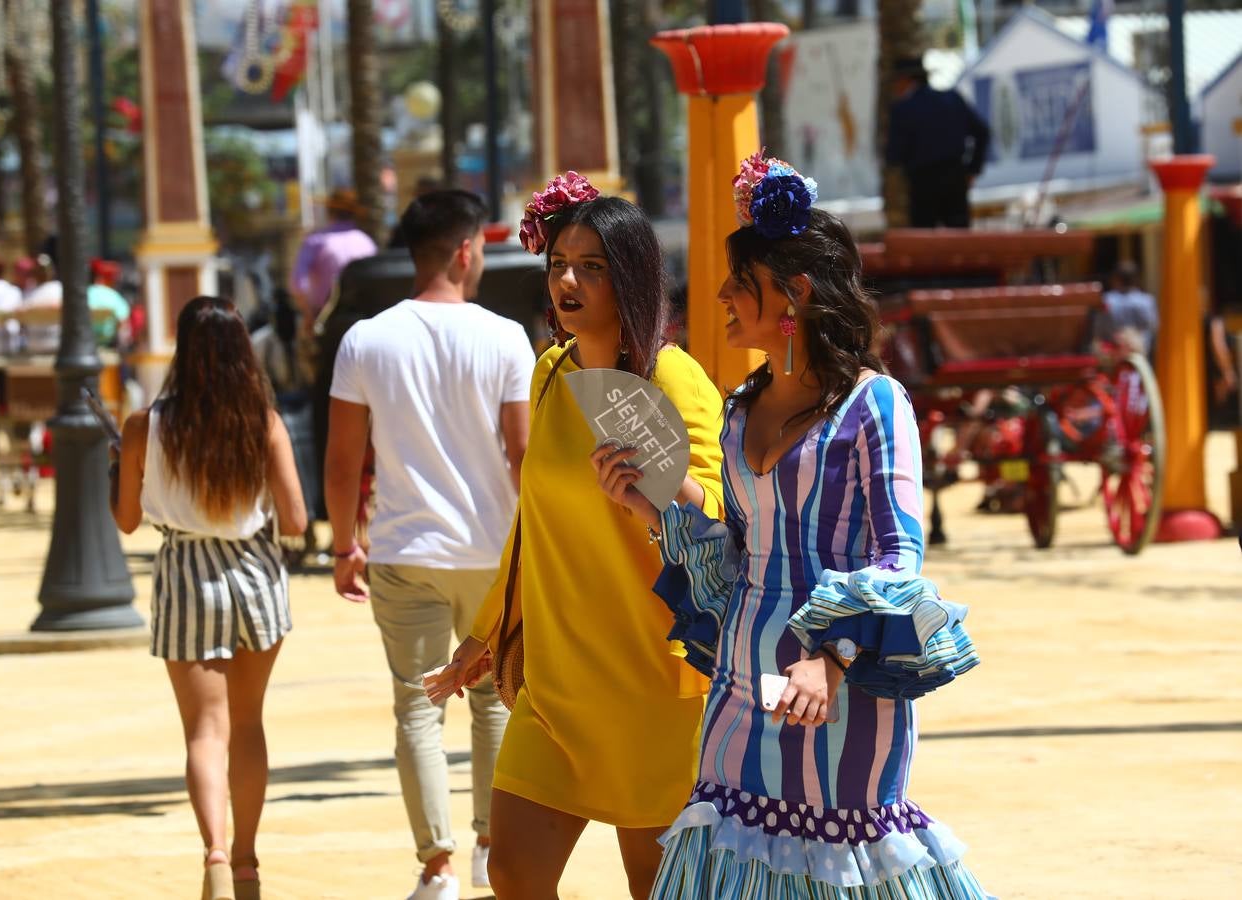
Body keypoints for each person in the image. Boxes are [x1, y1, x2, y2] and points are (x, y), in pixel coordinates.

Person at [628, 154, 987, 898]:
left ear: (792, 293)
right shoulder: (736, 412)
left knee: (835, 865)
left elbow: (900, 554)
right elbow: (736, 557)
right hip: (738, 692)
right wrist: (654, 504)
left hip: (841, 697)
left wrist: (830, 656)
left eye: (740, 280)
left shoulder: (875, 405)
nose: (722, 294)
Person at [433, 175, 726, 900]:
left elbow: (718, 517)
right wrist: (487, 629)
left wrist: (654, 497)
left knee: (657, 889)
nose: (567, 279)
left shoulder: (676, 378)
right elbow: (531, 520)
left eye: (591, 266)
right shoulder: (550, 370)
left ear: (630, 277)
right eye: (559, 262)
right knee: (513, 874)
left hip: (654, 687)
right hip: (557, 684)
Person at [324, 189, 535, 900]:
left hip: (403, 548)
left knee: (417, 707)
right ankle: (489, 846)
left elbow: (343, 459)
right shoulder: (506, 337)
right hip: (492, 551)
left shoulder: (365, 340)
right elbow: (522, 453)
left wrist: (343, 546)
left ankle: (435, 865)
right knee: (496, 702)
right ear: (467, 250)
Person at [109, 296, 307, 900]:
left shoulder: (146, 424)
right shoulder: (264, 423)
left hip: (185, 574)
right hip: (253, 574)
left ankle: (215, 857)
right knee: (247, 724)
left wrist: (129, 468)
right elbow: (296, 520)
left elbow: (126, 521)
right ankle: (247, 864)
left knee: (204, 731)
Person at [252, 289, 322, 563]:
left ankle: (313, 530)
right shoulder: (261, 343)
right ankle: (296, 535)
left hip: (305, 408)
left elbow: (312, 374)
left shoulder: (304, 337)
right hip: (279, 411)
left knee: (311, 469)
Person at [885, 56, 991, 228]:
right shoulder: (952, 99)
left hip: (922, 184)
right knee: (959, 241)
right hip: (955, 177)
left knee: (925, 245)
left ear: (905, 80)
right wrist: (972, 169)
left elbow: (894, 155)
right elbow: (982, 132)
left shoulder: (902, 110)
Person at [290, 187, 378, 328]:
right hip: (366, 320)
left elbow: (298, 284)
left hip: (326, 321)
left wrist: (309, 318)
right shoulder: (367, 242)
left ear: (329, 212)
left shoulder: (316, 241)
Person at [1094, 260, 1158, 356]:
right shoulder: (1147, 301)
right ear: (1136, 279)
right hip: (1141, 357)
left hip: (1113, 357)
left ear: (1116, 279)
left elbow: (1099, 332)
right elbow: (1153, 328)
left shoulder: (1105, 301)